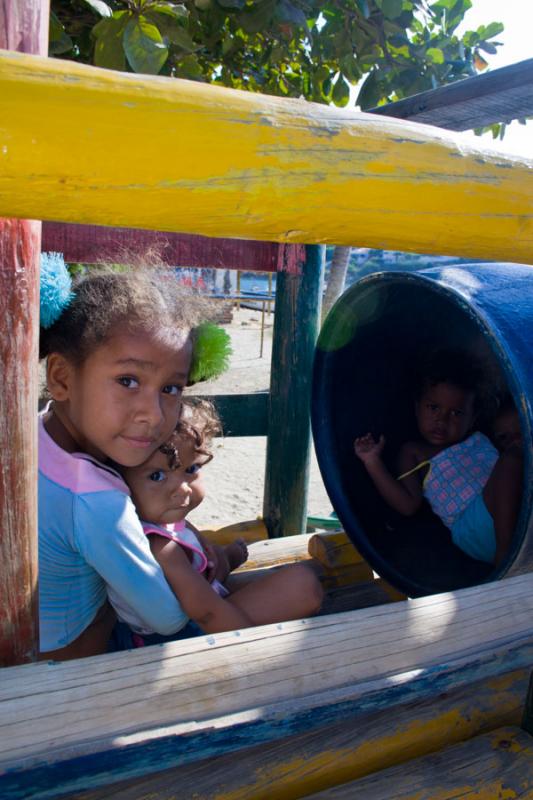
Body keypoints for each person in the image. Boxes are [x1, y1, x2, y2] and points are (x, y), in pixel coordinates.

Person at [38, 255, 217, 660]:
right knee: (297, 590)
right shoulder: (96, 500)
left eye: (171, 389)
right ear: (62, 378)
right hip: (76, 664)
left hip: (31, 643)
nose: (153, 415)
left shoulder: (36, 431)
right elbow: (166, 619)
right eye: (128, 381)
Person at [116, 398, 324, 643]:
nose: (182, 489)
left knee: (227, 562)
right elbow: (207, 613)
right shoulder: (161, 547)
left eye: (191, 470)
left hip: (198, 603)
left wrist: (214, 553)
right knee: (304, 584)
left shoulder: (154, 521)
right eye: (157, 475)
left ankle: (227, 559)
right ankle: (227, 562)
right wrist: (246, 646)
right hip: (184, 638)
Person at [354, 349, 523, 566]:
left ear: (473, 418)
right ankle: (507, 557)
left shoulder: (480, 438)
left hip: (513, 513)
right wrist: (372, 461)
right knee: (511, 461)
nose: (442, 420)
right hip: (474, 529)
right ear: (417, 408)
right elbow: (407, 505)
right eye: (433, 407)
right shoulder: (414, 452)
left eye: (456, 413)